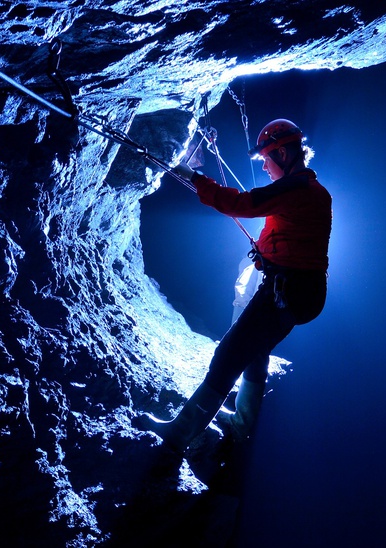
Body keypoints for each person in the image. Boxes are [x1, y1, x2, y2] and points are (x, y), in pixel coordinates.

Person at [136, 119, 332, 457]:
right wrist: (268, 252)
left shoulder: (295, 189)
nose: (266, 168)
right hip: (301, 292)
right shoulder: (312, 190)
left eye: (266, 160)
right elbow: (295, 238)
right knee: (254, 353)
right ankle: (242, 429)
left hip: (285, 294)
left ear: (282, 153)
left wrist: (194, 177)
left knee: (229, 355)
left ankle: (178, 436)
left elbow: (241, 204)